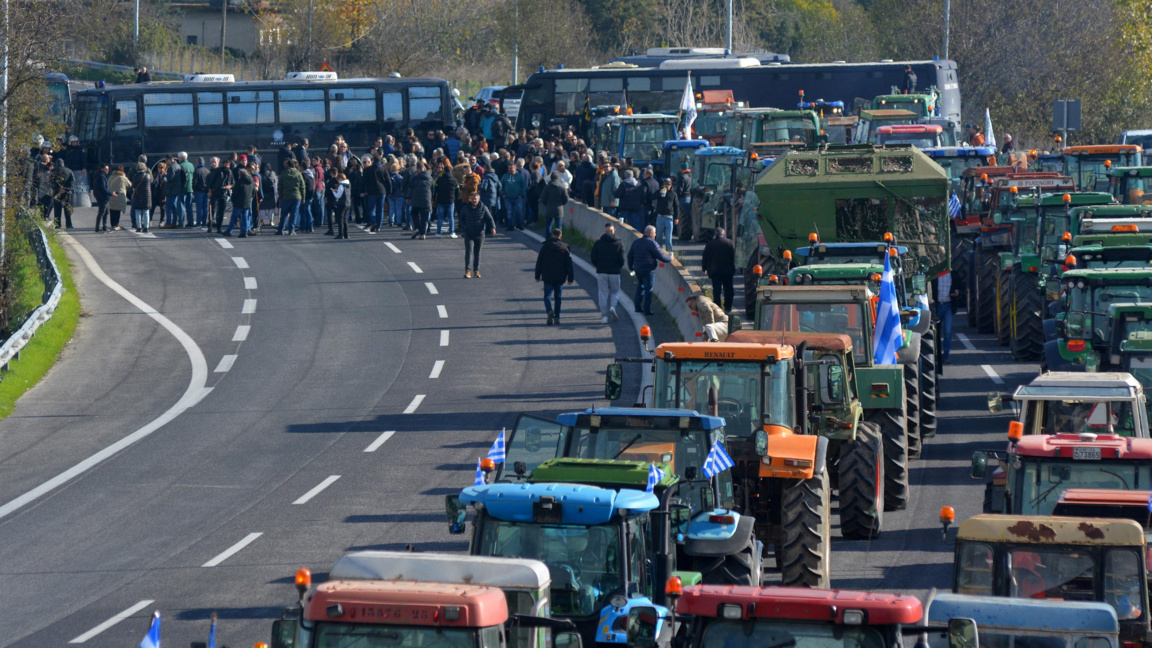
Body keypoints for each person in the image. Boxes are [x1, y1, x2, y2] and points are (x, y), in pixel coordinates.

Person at [627, 225, 672, 316]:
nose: (655, 235)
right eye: (655, 233)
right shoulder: (652, 243)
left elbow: (629, 256)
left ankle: (637, 307)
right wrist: (670, 258)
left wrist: (631, 268)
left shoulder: (636, 242)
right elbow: (661, 256)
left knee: (640, 286)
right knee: (649, 289)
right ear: (651, 234)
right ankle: (647, 309)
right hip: (649, 269)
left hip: (638, 269)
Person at [535, 228, 575, 325]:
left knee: (547, 297)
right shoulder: (565, 248)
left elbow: (539, 262)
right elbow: (569, 265)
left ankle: (549, 311)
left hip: (548, 276)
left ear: (552, 235)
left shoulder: (545, 247)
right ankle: (557, 317)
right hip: (560, 277)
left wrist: (537, 275)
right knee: (558, 298)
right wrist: (570, 278)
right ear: (560, 236)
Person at [590, 223, 626, 323]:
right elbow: (622, 259)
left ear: (605, 231)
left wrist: (599, 266)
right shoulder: (619, 243)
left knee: (602, 293)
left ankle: (604, 316)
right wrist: (618, 267)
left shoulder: (598, 243)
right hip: (615, 272)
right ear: (613, 230)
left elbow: (593, 257)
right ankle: (613, 307)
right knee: (615, 291)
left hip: (602, 271)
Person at [459, 192, 497, 278]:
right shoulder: (465, 208)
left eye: (475, 199)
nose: (474, 200)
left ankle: (476, 270)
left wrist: (493, 227)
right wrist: (464, 226)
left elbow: (489, 218)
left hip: (479, 234)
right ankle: (467, 271)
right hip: (468, 233)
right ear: (470, 199)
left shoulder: (483, 208)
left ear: (478, 199)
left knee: (477, 253)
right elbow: (461, 218)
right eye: (472, 198)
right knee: (468, 252)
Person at [702, 227, 737, 312]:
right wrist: (734, 268)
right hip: (727, 271)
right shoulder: (729, 243)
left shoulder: (710, 244)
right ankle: (728, 307)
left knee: (717, 291)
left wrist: (704, 268)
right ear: (723, 234)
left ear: (715, 234)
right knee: (728, 289)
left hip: (715, 271)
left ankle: (718, 308)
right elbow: (734, 257)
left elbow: (705, 257)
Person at [225, 162, 254, 238]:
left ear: (240, 174)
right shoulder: (251, 182)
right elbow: (253, 192)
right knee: (245, 218)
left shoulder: (239, 182)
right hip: (247, 202)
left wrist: (233, 200)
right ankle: (244, 232)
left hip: (238, 203)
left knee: (234, 217)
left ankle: (229, 231)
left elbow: (235, 193)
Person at [277, 159, 305, 235]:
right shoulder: (298, 174)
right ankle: (291, 230)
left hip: (286, 196)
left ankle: (280, 229)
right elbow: (302, 186)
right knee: (294, 213)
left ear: (288, 165)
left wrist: (280, 195)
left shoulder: (283, 174)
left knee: (284, 214)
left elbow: (279, 186)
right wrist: (303, 197)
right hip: (296, 196)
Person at [407, 161, 434, 239]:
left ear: (418, 169)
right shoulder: (430, 177)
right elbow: (432, 189)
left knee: (414, 214)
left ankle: (417, 228)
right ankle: (423, 234)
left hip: (416, 199)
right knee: (424, 217)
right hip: (427, 199)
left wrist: (408, 197)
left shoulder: (415, 177)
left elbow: (411, 186)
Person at [935, 271, 957, 364]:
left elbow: (959, 286)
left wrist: (957, 292)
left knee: (947, 332)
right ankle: (935, 354)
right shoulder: (935, 275)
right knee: (935, 331)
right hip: (937, 306)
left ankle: (945, 355)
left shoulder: (953, 274)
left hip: (948, 306)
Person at [652, 177, 679, 251]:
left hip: (669, 217)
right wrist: (659, 192)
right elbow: (652, 197)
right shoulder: (659, 192)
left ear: (671, 185)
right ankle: (659, 251)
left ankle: (669, 253)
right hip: (660, 216)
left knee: (668, 238)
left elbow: (676, 206)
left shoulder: (673, 194)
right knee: (658, 237)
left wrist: (676, 218)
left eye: (668, 184)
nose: (666, 185)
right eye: (665, 184)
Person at [433, 161, 460, 238]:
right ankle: (451, 232)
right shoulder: (454, 180)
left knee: (440, 217)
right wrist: (455, 198)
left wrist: (434, 198)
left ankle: (438, 233)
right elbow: (457, 191)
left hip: (441, 200)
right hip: (451, 201)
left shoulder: (440, 179)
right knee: (451, 217)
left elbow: (436, 190)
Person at [501, 160, 527, 231]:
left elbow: (524, 186)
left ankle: (519, 224)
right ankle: (511, 225)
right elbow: (501, 186)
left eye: (511, 168)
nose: (510, 170)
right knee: (509, 212)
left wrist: (521, 194)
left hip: (517, 197)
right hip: (507, 197)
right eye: (509, 168)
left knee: (519, 211)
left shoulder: (520, 176)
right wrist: (502, 194)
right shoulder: (505, 176)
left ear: (515, 168)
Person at [209, 158, 233, 234]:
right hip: (215, 192)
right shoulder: (217, 171)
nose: (227, 165)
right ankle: (210, 226)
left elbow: (233, 183)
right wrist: (210, 191)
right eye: (225, 164)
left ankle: (219, 228)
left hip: (224, 193)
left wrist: (229, 187)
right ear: (223, 164)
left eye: (228, 164)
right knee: (212, 210)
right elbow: (211, 182)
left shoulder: (230, 172)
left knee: (221, 211)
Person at [51, 161, 75, 228]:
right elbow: (72, 181)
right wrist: (65, 189)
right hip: (67, 192)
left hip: (57, 192)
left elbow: (51, 182)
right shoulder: (69, 171)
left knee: (57, 209)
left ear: (56, 164)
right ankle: (69, 224)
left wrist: (58, 189)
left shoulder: (53, 171)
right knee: (67, 209)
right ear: (63, 163)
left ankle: (57, 224)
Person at [329, 172, 352, 239]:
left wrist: (333, 192)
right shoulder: (348, 184)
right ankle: (346, 234)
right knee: (345, 219)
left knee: (340, 220)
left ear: (340, 179)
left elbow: (338, 196)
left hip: (341, 204)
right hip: (348, 203)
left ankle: (340, 234)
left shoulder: (341, 185)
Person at [130, 162, 152, 233]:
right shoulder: (148, 176)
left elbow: (133, 185)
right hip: (146, 196)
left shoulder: (135, 176)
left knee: (138, 212)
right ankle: (146, 228)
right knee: (146, 212)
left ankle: (139, 227)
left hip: (138, 195)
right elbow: (151, 182)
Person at [107, 165, 130, 230]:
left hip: (111, 195)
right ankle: (116, 225)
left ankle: (112, 224)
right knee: (117, 211)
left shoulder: (111, 177)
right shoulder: (123, 177)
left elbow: (107, 184)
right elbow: (129, 185)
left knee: (112, 211)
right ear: (122, 170)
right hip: (120, 196)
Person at [177, 152, 195, 228]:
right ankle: (191, 222)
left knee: (181, 206)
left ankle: (181, 222)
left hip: (182, 189)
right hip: (190, 188)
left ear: (181, 158)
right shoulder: (191, 165)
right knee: (189, 205)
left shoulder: (180, 166)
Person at [91, 164, 110, 232]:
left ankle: (104, 226)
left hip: (101, 195)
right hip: (102, 196)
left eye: (108, 169)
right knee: (102, 212)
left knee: (106, 211)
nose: (107, 170)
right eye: (106, 169)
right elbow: (103, 187)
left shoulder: (100, 175)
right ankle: (97, 227)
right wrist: (110, 193)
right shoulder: (101, 176)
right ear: (102, 169)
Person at [194, 158, 212, 228]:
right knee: (205, 207)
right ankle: (204, 222)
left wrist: (194, 189)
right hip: (206, 191)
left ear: (198, 162)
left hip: (199, 191)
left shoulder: (197, 170)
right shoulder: (207, 170)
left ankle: (199, 222)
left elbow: (195, 182)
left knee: (199, 207)